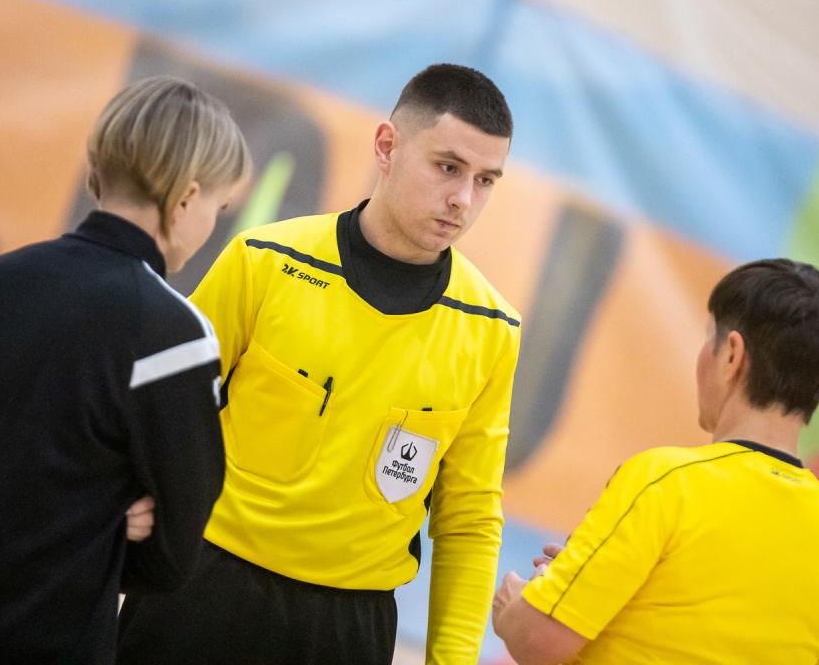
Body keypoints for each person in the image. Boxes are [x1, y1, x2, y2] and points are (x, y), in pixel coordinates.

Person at [117, 63, 521, 665]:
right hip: (202, 590)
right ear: (387, 146)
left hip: (350, 628)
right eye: (447, 167)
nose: (463, 198)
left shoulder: (491, 329)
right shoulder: (264, 261)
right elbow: (151, 417)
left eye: (486, 180)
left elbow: (468, 519)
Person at [0, 76, 251, 662]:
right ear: (185, 198)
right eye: (218, 207)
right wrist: (103, 522)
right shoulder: (173, 336)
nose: (212, 224)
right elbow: (172, 554)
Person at [492, 259, 819, 665]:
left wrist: (519, 601)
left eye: (709, 337)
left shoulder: (664, 481)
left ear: (731, 355)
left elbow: (538, 641)